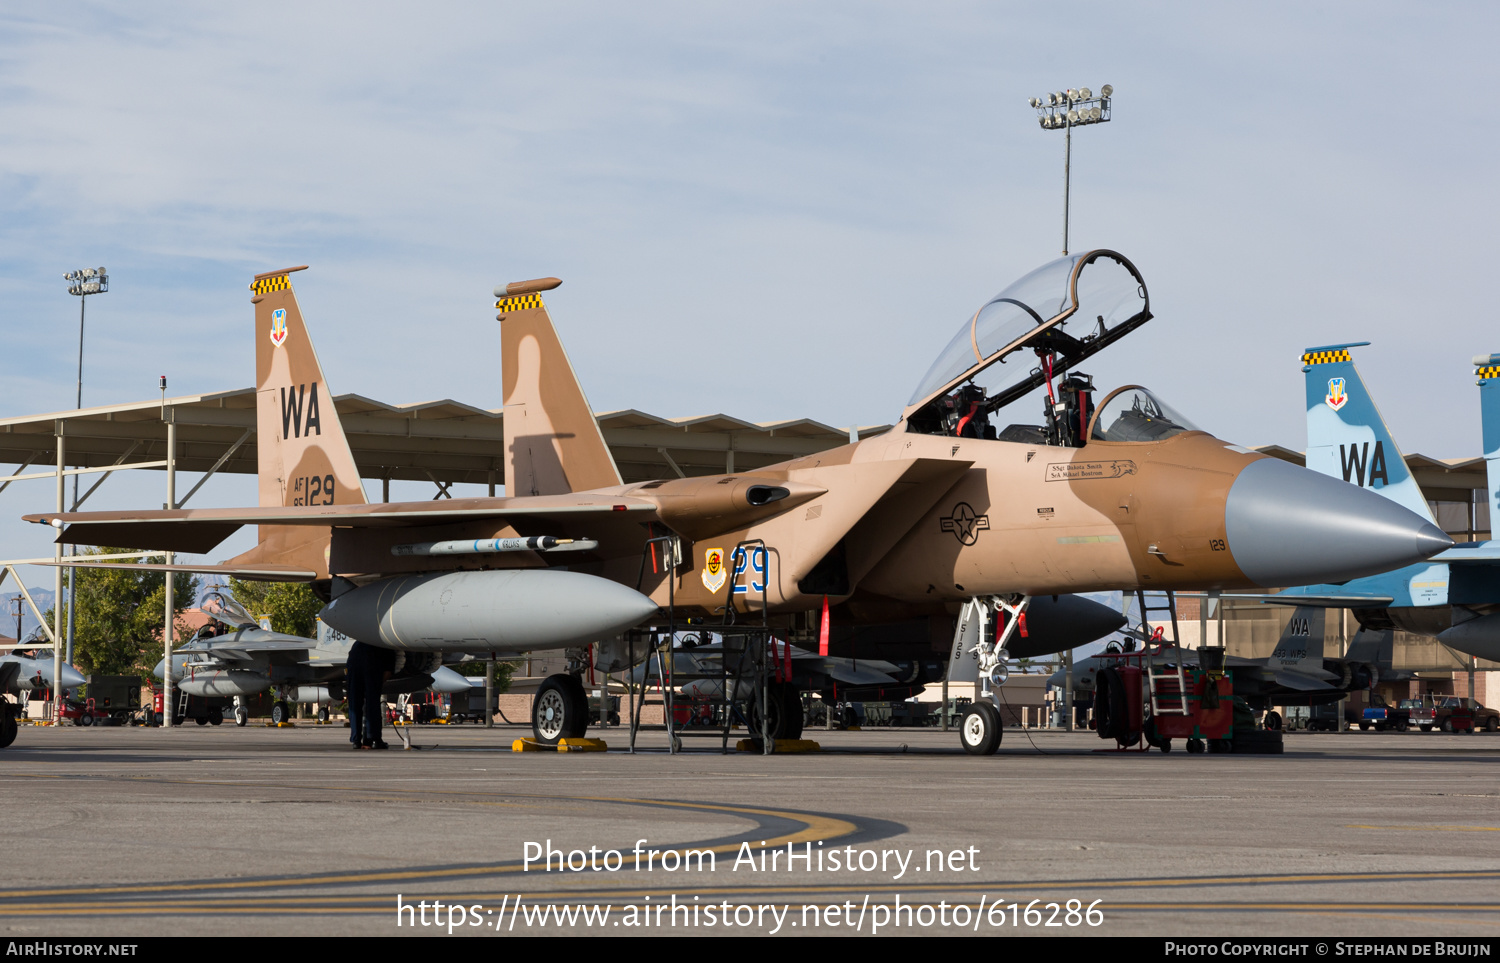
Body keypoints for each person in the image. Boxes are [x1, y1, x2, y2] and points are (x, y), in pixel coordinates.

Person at [361, 645, 396, 749]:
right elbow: (388, 670)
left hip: (363, 675)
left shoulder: (362, 644)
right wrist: (378, 683)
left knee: (366, 708)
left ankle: (360, 740)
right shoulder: (386, 647)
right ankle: (373, 739)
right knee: (373, 709)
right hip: (373, 677)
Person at [345, 641, 372, 749]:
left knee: (355, 706)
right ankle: (369, 739)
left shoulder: (357, 645)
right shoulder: (373, 644)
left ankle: (356, 740)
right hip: (368, 667)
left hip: (354, 670)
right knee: (371, 705)